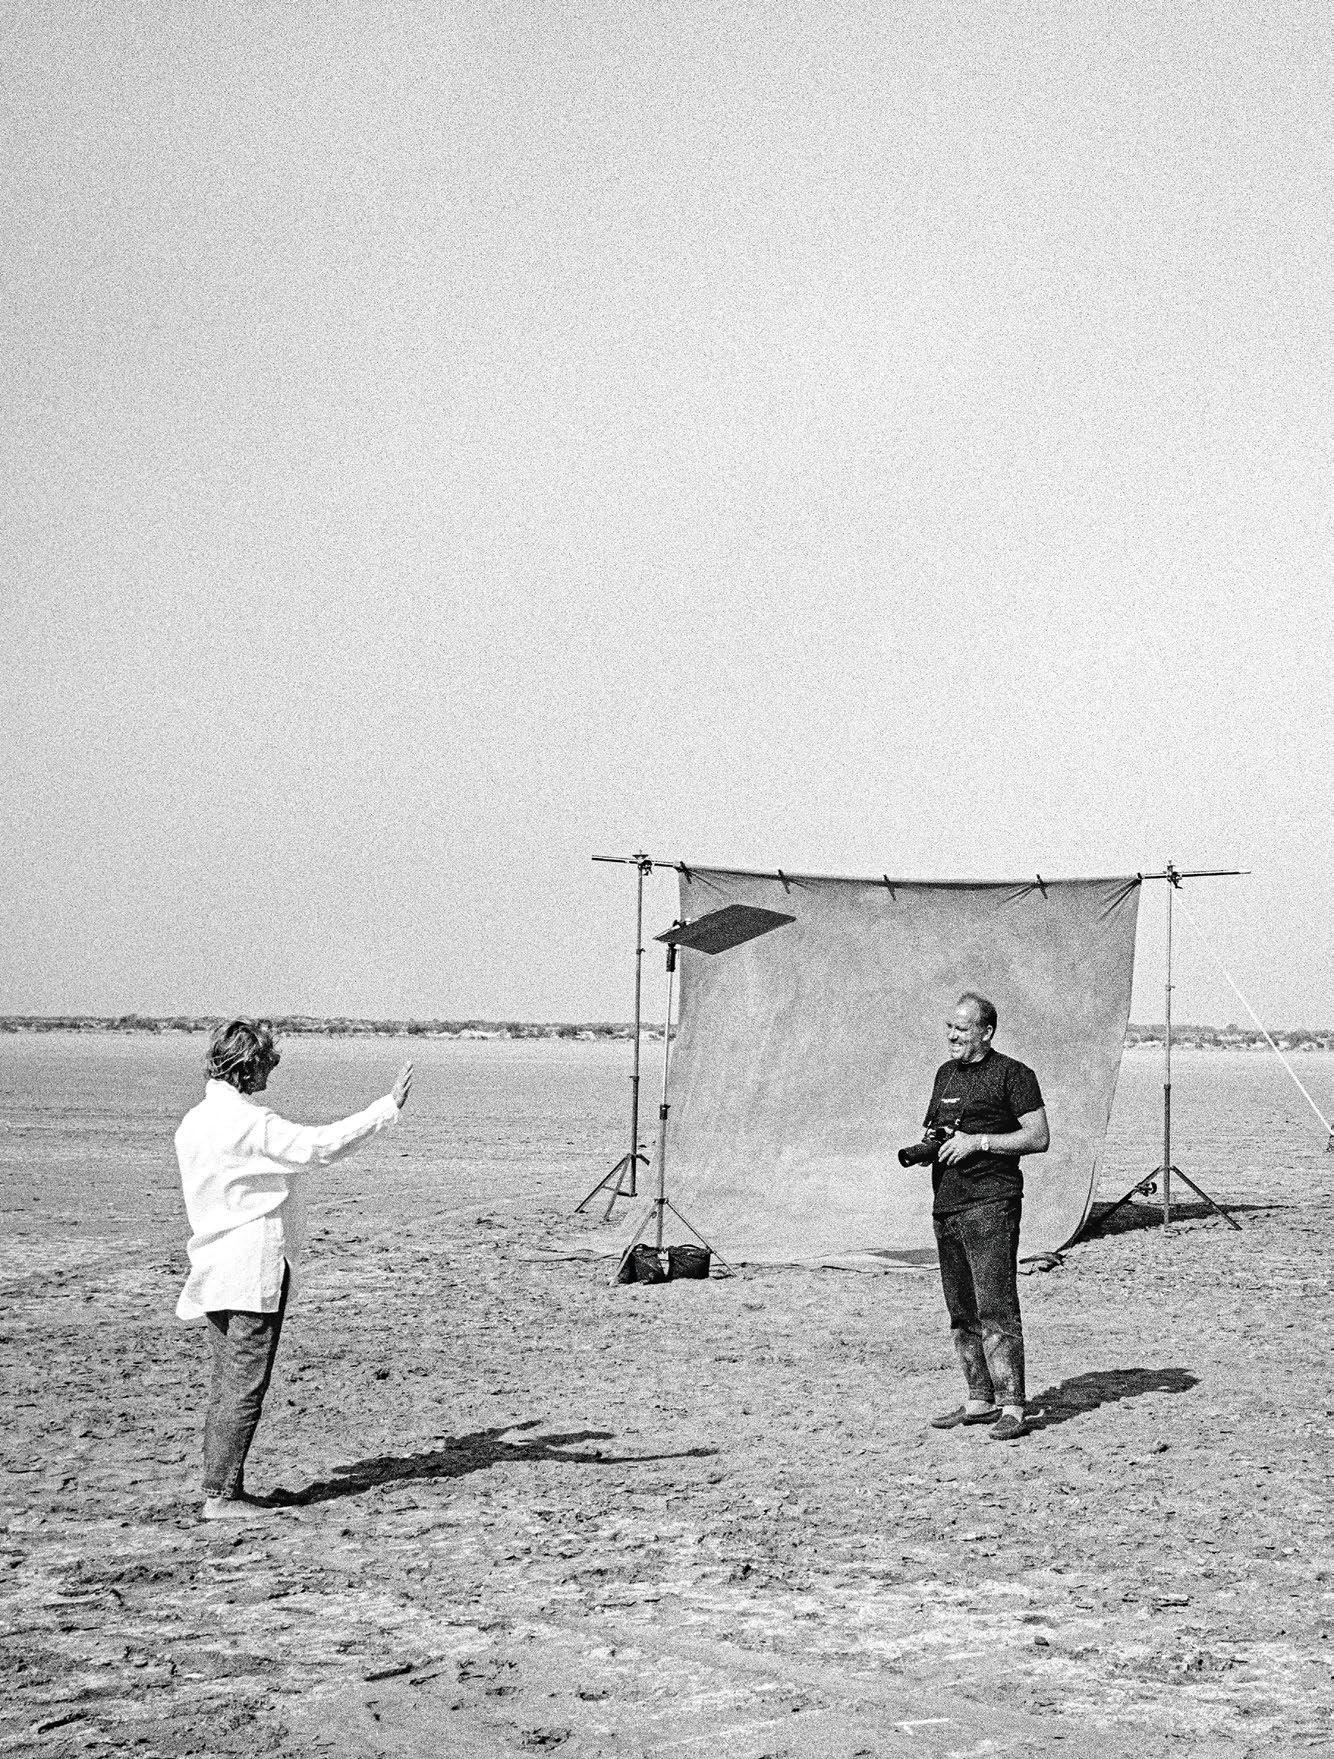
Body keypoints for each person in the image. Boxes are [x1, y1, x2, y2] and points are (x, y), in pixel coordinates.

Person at [174, 1018, 413, 1520]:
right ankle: (222, 1496)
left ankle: (222, 1487)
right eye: (266, 1063)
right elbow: (319, 1147)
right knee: (243, 1384)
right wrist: (386, 1108)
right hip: (249, 1268)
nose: (270, 1072)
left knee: (229, 1382)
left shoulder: (194, 1120)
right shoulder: (248, 1122)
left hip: (213, 1266)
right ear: (248, 1065)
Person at [913, 992, 1049, 1442]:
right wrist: (933, 1144)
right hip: (948, 1204)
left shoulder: (1014, 1074)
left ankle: (1013, 1406)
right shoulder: (945, 1074)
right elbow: (939, 1130)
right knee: (962, 1311)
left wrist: (979, 1142)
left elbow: (1038, 1137)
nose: (952, 1035)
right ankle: (979, 1400)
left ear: (986, 1032)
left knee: (996, 1308)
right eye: (949, 1027)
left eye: (962, 1028)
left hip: (991, 1203)